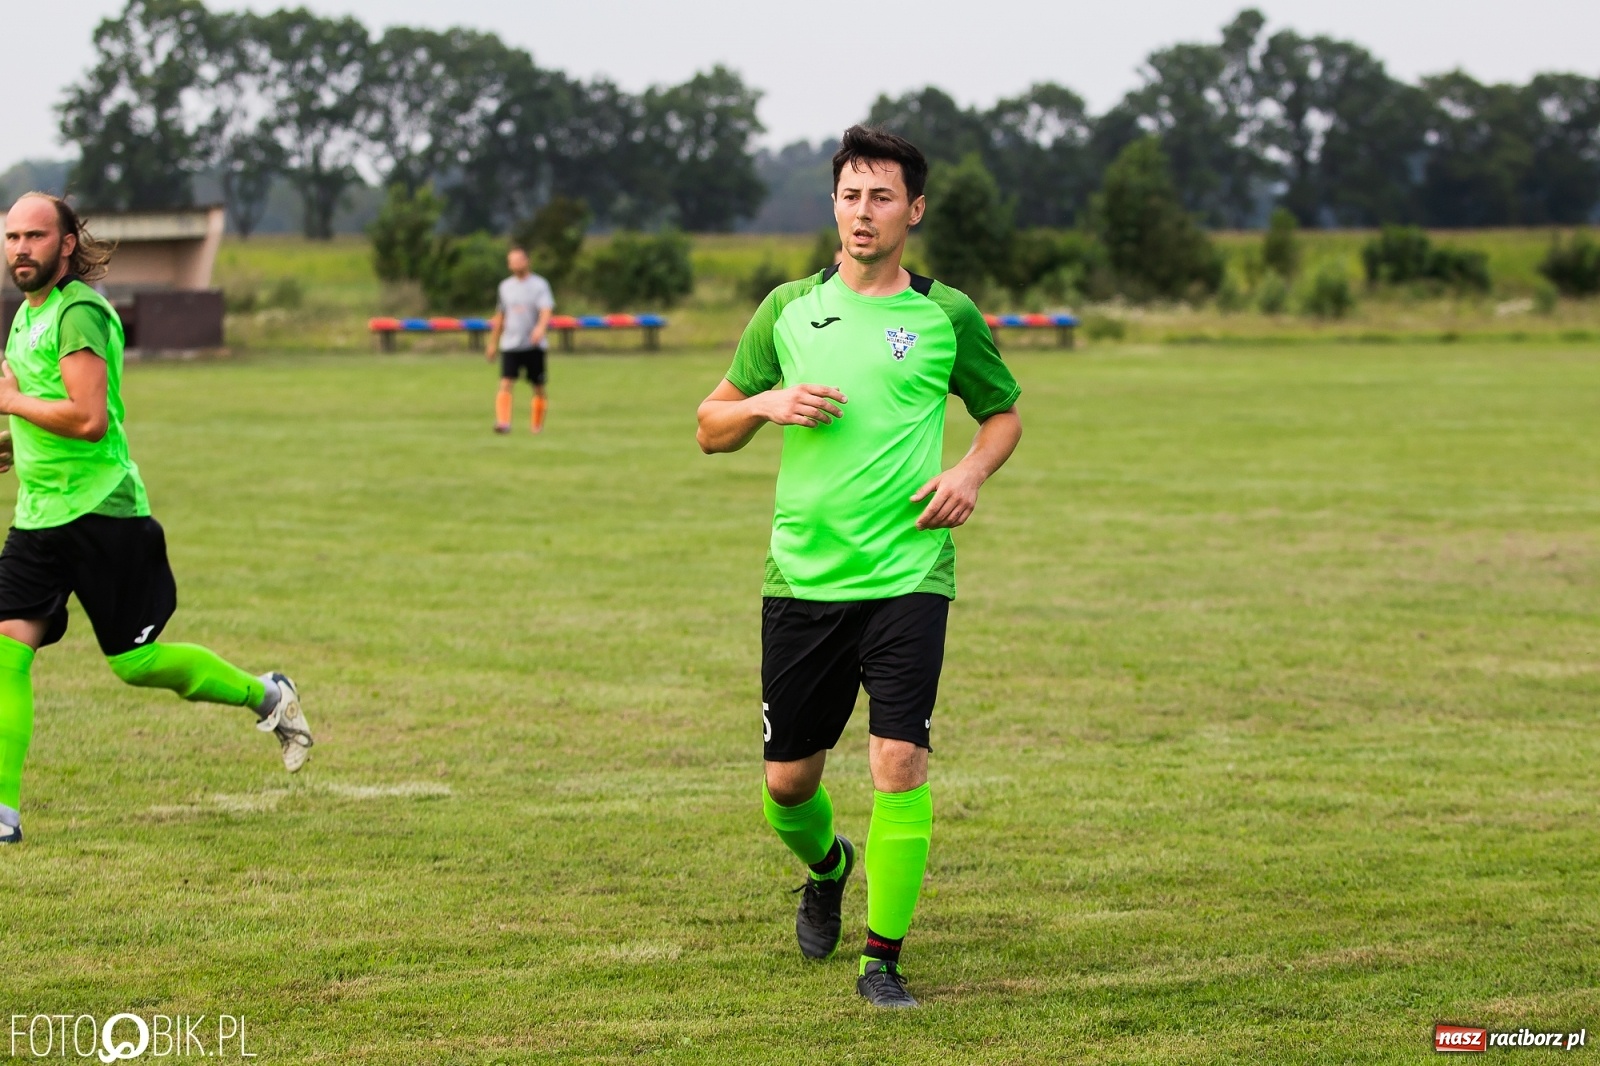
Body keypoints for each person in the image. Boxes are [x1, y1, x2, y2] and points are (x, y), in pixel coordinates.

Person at [695, 126, 1023, 1008]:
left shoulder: (946, 313)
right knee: (787, 788)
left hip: (911, 573)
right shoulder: (788, 311)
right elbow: (709, 427)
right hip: (803, 580)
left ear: (914, 209)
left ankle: (883, 961)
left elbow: (1002, 415)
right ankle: (827, 866)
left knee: (898, 760)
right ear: (832, 204)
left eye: (882, 197)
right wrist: (764, 402)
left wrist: (968, 472)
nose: (863, 212)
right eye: (850, 195)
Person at [0, 193, 312, 845]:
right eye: (11, 237)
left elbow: (86, 421)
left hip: (102, 512)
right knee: (6, 650)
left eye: (34, 236)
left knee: (135, 664)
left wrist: (11, 402)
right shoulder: (26, 318)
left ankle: (268, 695)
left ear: (65, 244)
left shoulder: (78, 311)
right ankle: (3, 815)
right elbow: (38, 411)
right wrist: (8, 442)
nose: (20, 248)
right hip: (40, 516)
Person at [486, 247, 554, 434]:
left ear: (527, 261)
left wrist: (540, 328)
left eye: (518, 260)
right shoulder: (505, 287)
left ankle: (536, 425)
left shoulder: (539, 285)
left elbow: (546, 310)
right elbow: (500, 316)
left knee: (538, 386)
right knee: (506, 382)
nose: (515, 264)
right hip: (511, 343)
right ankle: (503, 422)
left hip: (533, 344)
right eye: (511, 261)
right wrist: (493, 343)